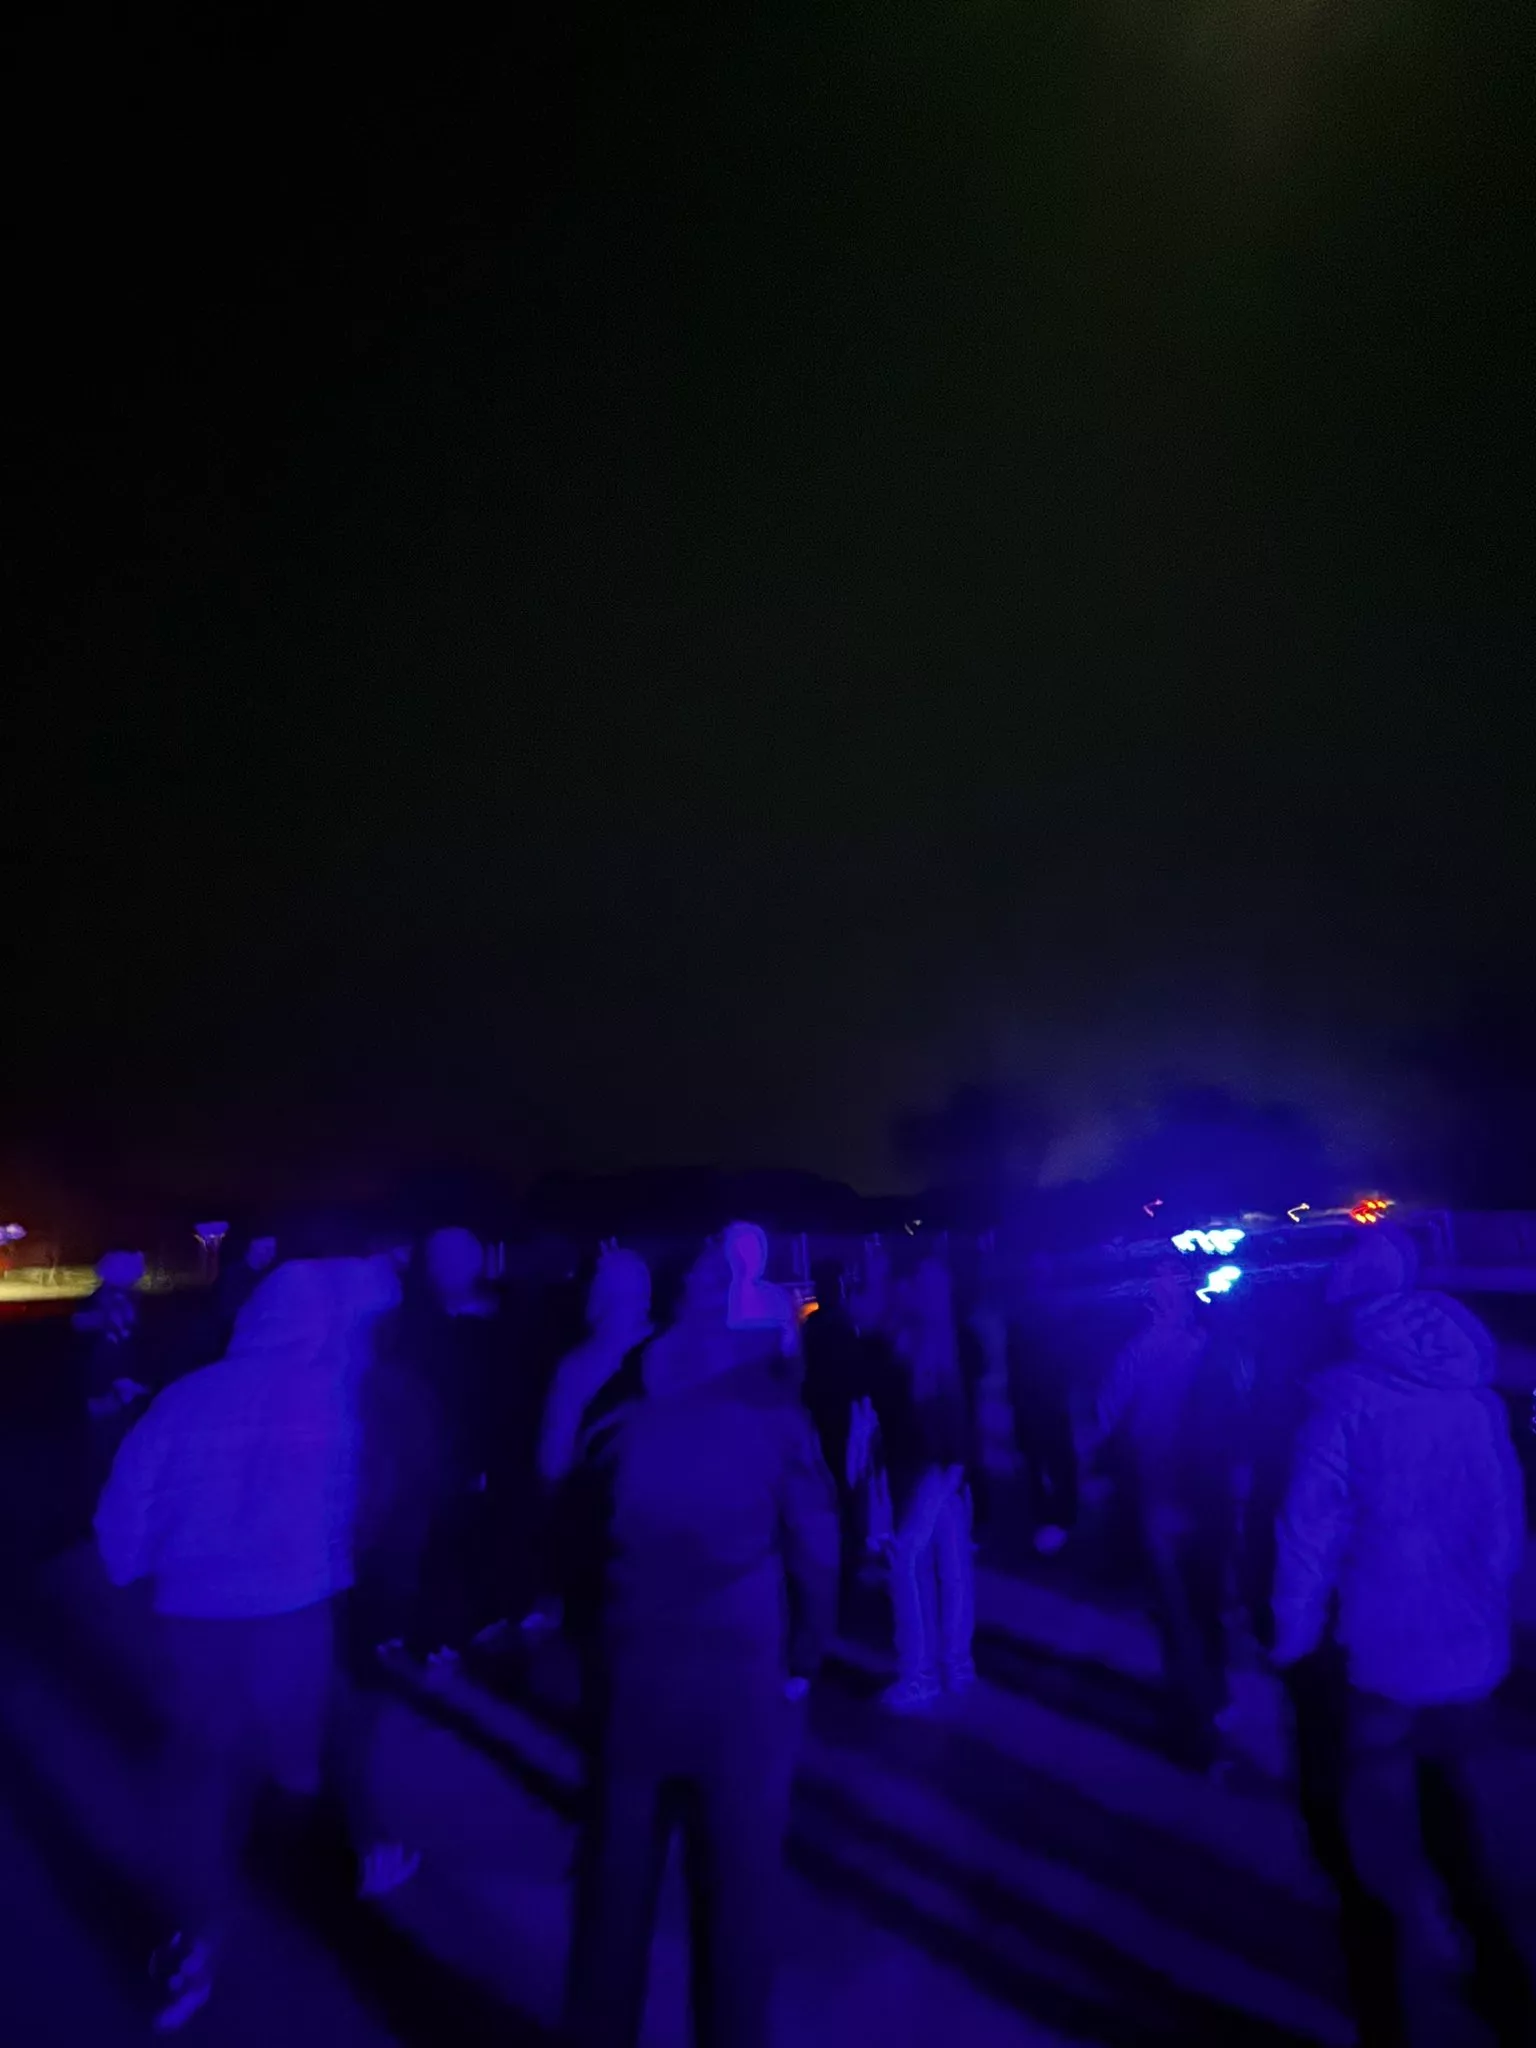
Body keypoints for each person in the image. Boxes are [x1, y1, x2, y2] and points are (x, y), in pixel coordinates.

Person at [94, 1246, 413, 2032]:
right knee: (294, 1770)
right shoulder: (331, 1402)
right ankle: (298, 1917)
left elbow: (120, 1520)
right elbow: (347, 1511)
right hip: (292, 1619)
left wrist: (138, 1564)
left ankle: (192, 1940)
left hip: (193, 1621)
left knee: (198, 1774)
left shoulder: (183, 1400)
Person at [565, 1231, 840, 2048]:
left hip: (635, 1670)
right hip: (742, 1676)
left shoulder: (619, 1410)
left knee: (616, 1880)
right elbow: (817, 1549)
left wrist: (597, 1644)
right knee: (740, 1888)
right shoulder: (772, 1417)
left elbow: (576, 1545)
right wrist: (804, 1658)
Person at [1273, 1225, 1534, 2046]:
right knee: (1455, 1822)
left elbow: (1307, 1535)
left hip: (1376, 1656)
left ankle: (1387, 2023)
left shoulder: (1342, 1399)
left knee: (1372, 1857)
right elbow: (1503, 1530)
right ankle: (1507, 1992)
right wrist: (1484, 1611)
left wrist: (1292, 1637)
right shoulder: (1474, 1398)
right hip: (1464, 1653)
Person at [1096, 1259, 1234, 1769]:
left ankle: (1193, 1728)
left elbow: (1105, 1414)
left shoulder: (1136, 1352)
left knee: (1177, 1614)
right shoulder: (1210, 1348)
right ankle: (1218, 1701)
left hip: (1162, 1494)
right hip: (1210, 1494)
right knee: (1206, 1603)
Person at [874, 1251, 976, 1712]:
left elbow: (915, 1414)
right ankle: (955, 1664)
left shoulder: (914, 1340)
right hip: (943, 1466)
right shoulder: (946, 1336)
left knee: (909, 1563)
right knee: (949, 1563)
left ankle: (919, 1674)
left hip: (926, 1467)